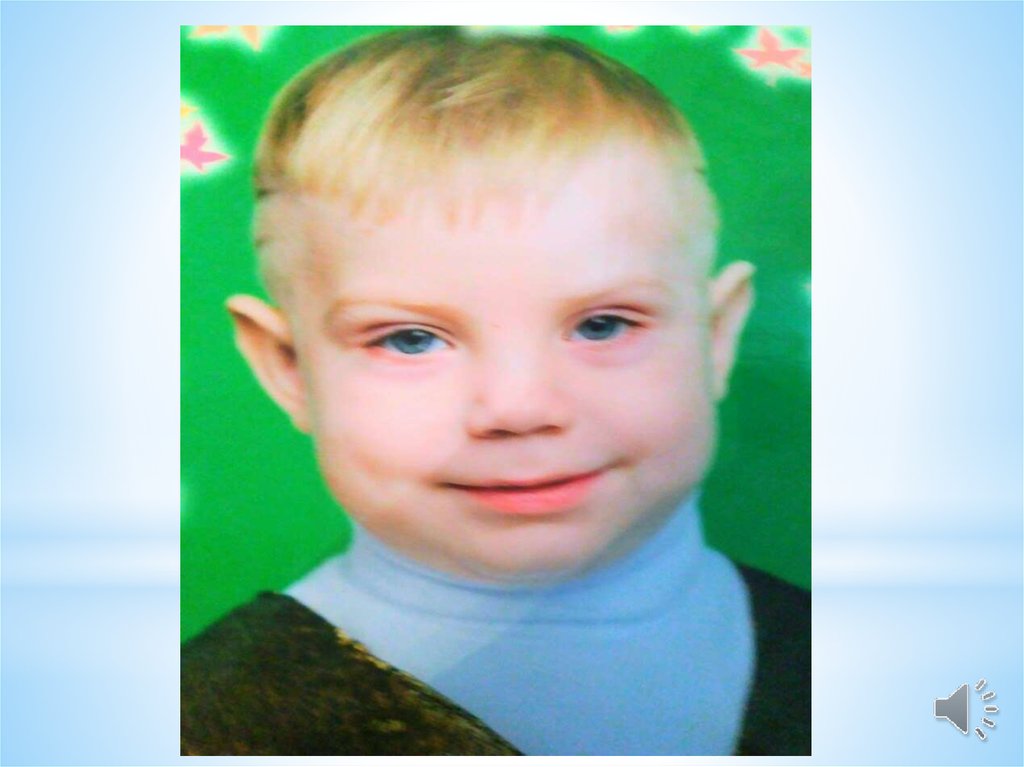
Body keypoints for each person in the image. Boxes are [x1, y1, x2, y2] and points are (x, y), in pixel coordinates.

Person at [181, 26, 809, 756]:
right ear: (288, 369)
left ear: (715, 337)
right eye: (410, 339)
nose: (519, 408)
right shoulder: (199, 722)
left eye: (603, 325)